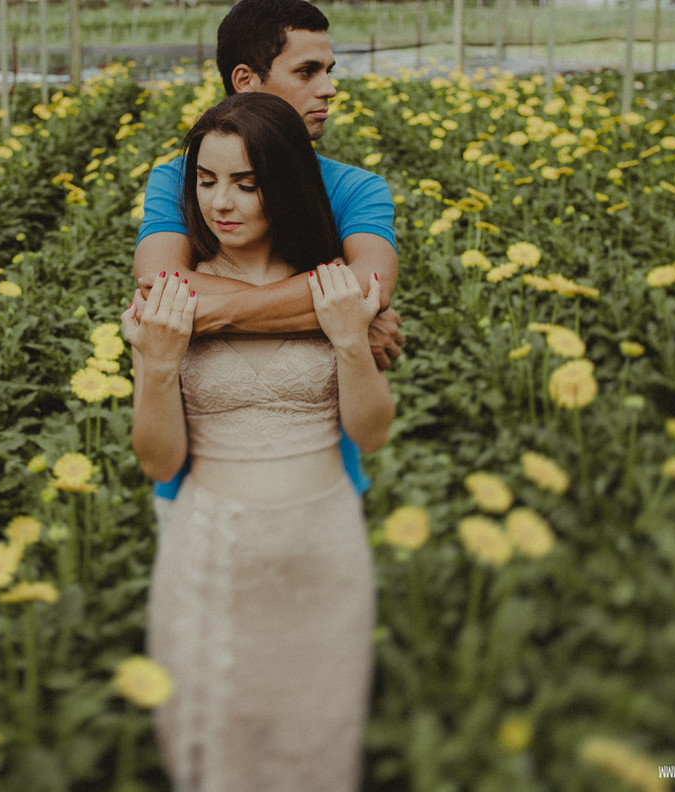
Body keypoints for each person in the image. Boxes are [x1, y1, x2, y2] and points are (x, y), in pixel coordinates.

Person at [122, 91, 393, 792]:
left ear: (286, 184)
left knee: (320, 752)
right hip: (213, 551)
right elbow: (158, 460)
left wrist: (350, 342)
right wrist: (154, 365)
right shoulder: (172, 298)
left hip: (324, 551)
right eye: (207, 181)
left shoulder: (332, 287)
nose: (223, 202)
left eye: (247, 182)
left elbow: (373, 432)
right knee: (218, 758)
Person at [133, 0, 404, 524]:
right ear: (246, 81)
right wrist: (336, 312)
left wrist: (202, 317)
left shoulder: (357, 187)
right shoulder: (177, 179)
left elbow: (370, 285)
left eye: (329, 71)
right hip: (199, 489)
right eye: (307, 71)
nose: (328, 88)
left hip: (321, 483)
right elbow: (158, 284)